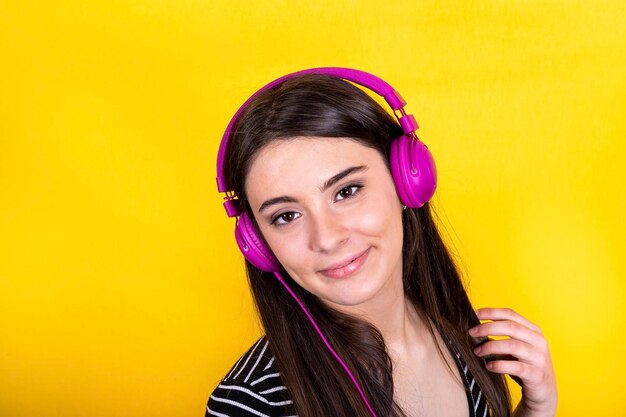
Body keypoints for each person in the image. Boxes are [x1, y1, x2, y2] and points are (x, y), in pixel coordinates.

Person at [207, 68, 557, 417]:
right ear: (259, 245)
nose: (327, 238)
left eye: (346, 191)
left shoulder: (453, 322)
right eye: (286, 216)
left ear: (406, 183)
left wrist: (535, 409)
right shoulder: (250, 406)